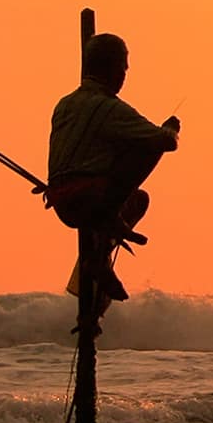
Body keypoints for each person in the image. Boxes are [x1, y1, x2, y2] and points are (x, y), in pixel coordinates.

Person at [45, 33, 180, 301]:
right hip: (90, 199)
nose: (125, 74)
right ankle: (103, 240)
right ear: (112, 67)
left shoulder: (64, 104)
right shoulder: (109, 108)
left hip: (60, 200)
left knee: (131, 179)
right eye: (123, 67)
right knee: (147, 159)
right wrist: (171, 129)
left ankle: (99, 257)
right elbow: (164, 141)